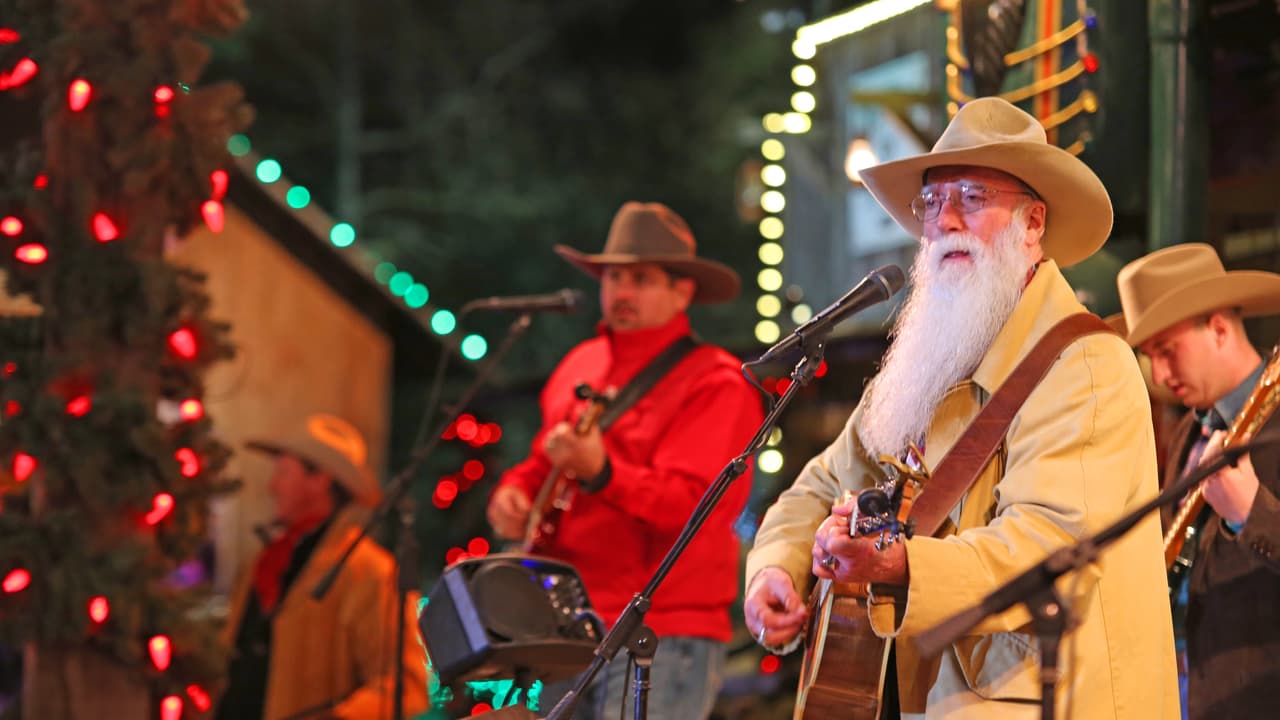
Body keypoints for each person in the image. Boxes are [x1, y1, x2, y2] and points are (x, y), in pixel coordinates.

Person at [744, 97, 1179, 719]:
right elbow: (823, 482)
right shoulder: (927, 362)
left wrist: (898, 562)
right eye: (932, 201)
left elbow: (1047, 547)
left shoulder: (1084, 364)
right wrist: (776, 572)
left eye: (973, 197)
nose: (945, 219)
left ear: (1033, 223)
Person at [486, 202, 764, 719]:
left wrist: (605, 473)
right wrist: (514, 494)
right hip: (563, 626)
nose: (622, 292)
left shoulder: (716, 382)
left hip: (660, 631)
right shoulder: (581, 362)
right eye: (613, 277)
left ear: (683, 292)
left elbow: (696, 507)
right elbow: (543, 462)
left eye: (641, 279)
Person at [1115, 243, 1280, 719]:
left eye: (1168, 352)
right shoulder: (1190, 429)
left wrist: (1251, 513)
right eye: (1150, 357)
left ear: (1220, 330)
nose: (1160, 375)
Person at [215, 413, 429, 719]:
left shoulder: (370, 572)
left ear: (319, 480)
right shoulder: (264, 562)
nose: (273, 486)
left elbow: (406, 686)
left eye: (284, 473)